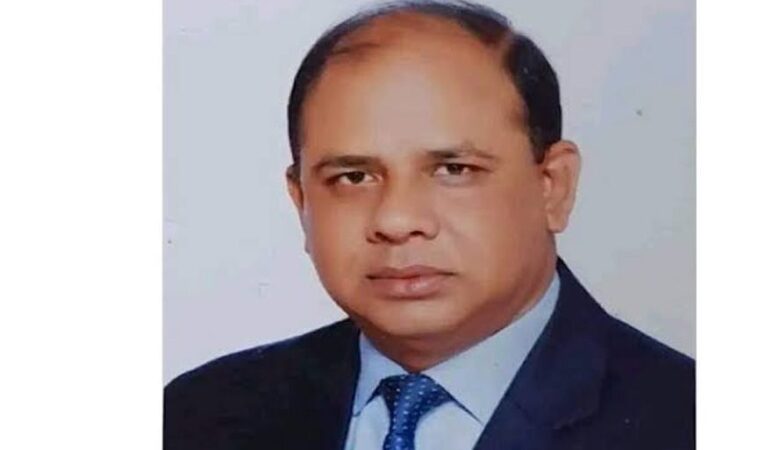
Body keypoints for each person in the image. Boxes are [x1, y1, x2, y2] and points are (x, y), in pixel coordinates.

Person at [164, 1, 694, 449]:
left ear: (553, 186)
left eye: (453, 170)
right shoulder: (197, 415)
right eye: (353, 177)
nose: (396, 220)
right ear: (301, 201)